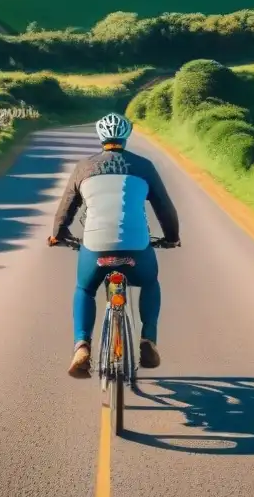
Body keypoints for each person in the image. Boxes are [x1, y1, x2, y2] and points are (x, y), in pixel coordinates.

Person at [48, 112, 180, 378]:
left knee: (85, 289)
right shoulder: (144, 166)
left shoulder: (84, 167)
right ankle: (148, 340)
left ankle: (82, 345)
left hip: (95, 246)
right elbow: (165, 208)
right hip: (136, 248)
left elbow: (66, 208)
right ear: (126, 136)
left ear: (100, 137)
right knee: (150, 281)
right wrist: (171, 237)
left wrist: (58, 235)